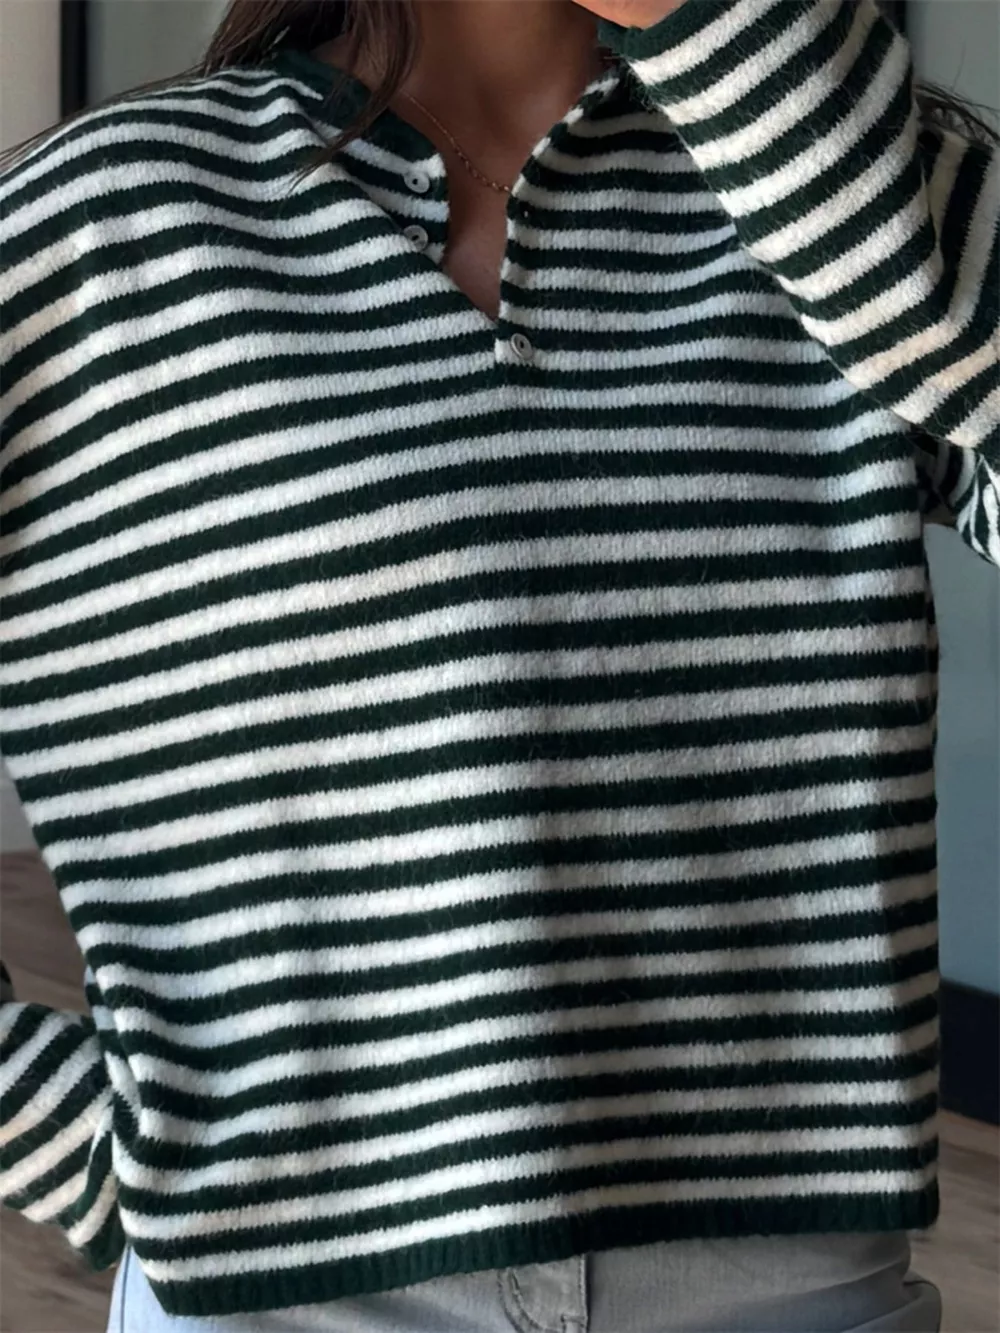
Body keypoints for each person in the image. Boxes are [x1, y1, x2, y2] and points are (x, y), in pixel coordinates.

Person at [1, 0, 996, 1329]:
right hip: (287, 1296)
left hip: (790, 1280)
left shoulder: (866, 183)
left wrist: (752, 65)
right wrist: (80, 1143)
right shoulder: (98, 223)